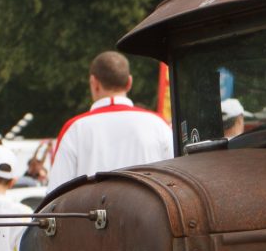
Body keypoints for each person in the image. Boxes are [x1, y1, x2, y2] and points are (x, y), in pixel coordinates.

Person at [44, 51, 175, 190]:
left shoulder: (75, 128)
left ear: (94, 83)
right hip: (151, 211)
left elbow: (55, 194)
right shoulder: (159, 125)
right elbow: (175, 182)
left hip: (91, 210)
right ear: (129, 82)